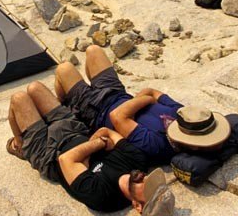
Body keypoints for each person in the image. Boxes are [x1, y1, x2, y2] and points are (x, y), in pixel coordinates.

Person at [6, 81, 175, 216]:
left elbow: (65, 160)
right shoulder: (139, 161)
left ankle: (20, 145)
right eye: (153, 180)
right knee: (35, 88)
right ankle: (29, 135)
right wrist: (93, 147)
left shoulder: (103, 197)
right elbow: (106, 132)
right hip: (74, 130)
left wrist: (98, 144)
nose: (146, 178)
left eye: (148, 188)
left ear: (138, 205)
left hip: (48, 153)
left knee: (18, 98)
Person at [54, 45, 185, 164]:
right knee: (93, 50)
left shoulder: (158, 145)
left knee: (64, 68)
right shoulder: (184, 116)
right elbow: (150, 91)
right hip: (116, 92)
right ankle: (83, 90)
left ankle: (65, 103)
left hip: (96, 111)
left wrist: (146, 100)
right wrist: (142, 101)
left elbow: (116, 115)